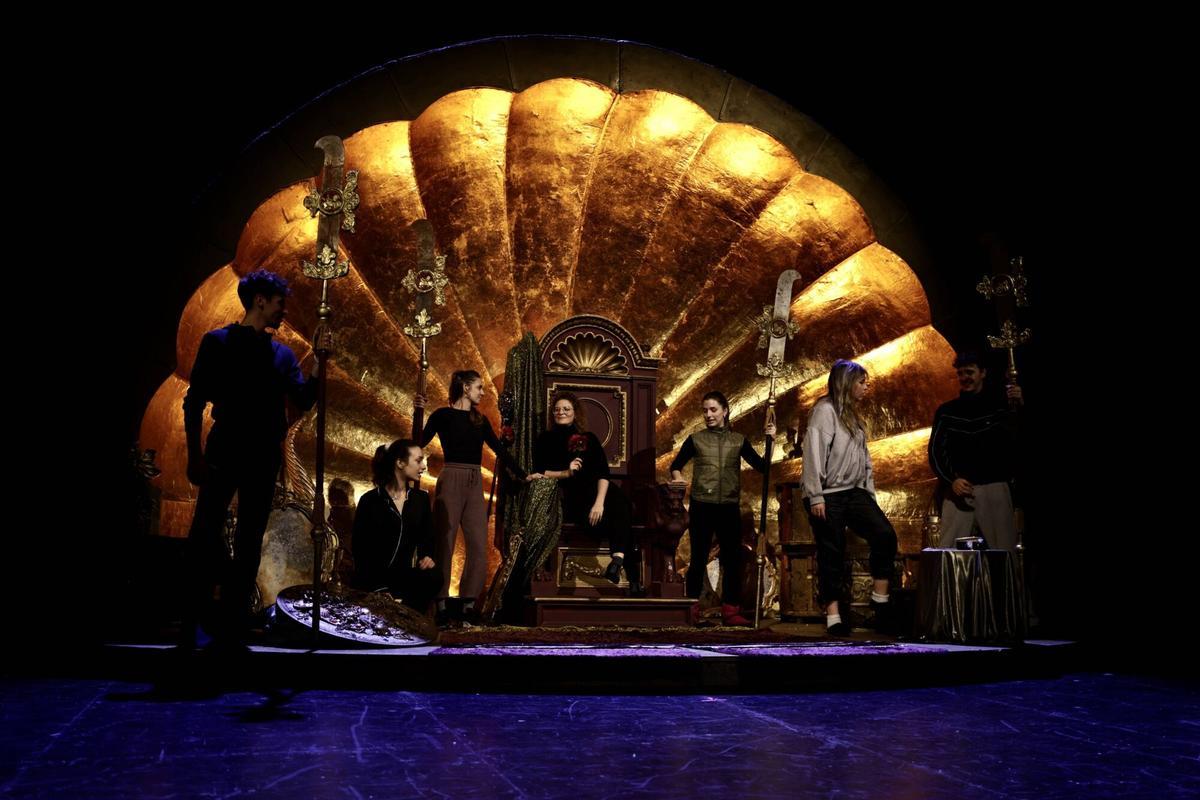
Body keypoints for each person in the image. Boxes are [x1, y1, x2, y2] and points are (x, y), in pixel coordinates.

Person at [180, 269, 324, 649]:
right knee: (205, 534)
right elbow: (194, 401)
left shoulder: (282, 355)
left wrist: (318, 363)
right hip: (226, 447)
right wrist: (194, 455)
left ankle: (232, 628)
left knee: (249, 541)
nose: (283, 311)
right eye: (279, 303)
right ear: (259, 300)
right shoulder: (218, 343)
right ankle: (191, 623)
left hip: (262, 456)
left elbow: (304, 399)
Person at [417, 370, 525, 624]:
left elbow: (498, 450)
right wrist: (417, 411)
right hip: (451, 477)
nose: (482, 392)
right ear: (465, 388)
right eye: (478, 387)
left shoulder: (479, 419)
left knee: (478, 543)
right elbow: (418, 441)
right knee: (445, 542)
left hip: (474, 480)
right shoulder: (442, 416)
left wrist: (522, 474)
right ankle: (441, 604)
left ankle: (468, 603)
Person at [801, 360, 897, 636]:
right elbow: (813, 454)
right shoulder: (824, 411)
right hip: (827, 493)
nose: (866, 387)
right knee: (832, 550)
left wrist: (869, 493)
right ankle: (833, 616)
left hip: (854, 491)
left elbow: (864, 459)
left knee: (884, 534)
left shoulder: (852, 415)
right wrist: (816, 495)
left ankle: (880, 602)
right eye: (861, 382)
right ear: (846, 383)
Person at [669, 391, 774, 626]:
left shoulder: (738, 440)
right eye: (705, 410)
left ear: (725, 411)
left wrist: (771, 440)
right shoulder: (696, 439)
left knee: (732, 560)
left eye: (713, 410)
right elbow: (676, 465)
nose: (708, 414)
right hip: (701, 506)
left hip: (728, 506)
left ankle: (730, 611)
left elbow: (763, 467)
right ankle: (692, 610)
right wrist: (678, 479)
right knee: (698, 559)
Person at [530, 391, 641, 594]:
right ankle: (631, 574)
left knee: (620, 503)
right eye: (557, 409)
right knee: (614, 517)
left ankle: (617, 560)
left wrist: (599, 503)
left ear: (575, 412)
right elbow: (540, 471)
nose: (561, 412)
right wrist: (566, 472)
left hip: (598, 490)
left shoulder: (588, 438)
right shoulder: (545, 439)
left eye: (566, 409)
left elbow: (603, 473)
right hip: (573, 493)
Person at [928, 351, 1024, 551]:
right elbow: (936, 452)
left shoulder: (1000, 406)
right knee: (951, 554)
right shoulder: (947, 412)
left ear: (983, 373)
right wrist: (952, 480)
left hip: (994, 488)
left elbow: (1017, 440)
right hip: (959, 491)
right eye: (961, 373)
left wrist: (1020, 405)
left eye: (970, 372)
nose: (965, 377)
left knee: (1003, 551)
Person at [352, 439, 442, 612]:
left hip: (402, 577)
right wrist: (379, 588)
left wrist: (427, 556)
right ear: (400, 463)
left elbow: (428, 537)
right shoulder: (370, 501)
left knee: (435, 576)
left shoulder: (420, 499)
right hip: (372, 578)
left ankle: (404, 614)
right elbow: (360, 549)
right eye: (418, 461)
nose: (423, 466)